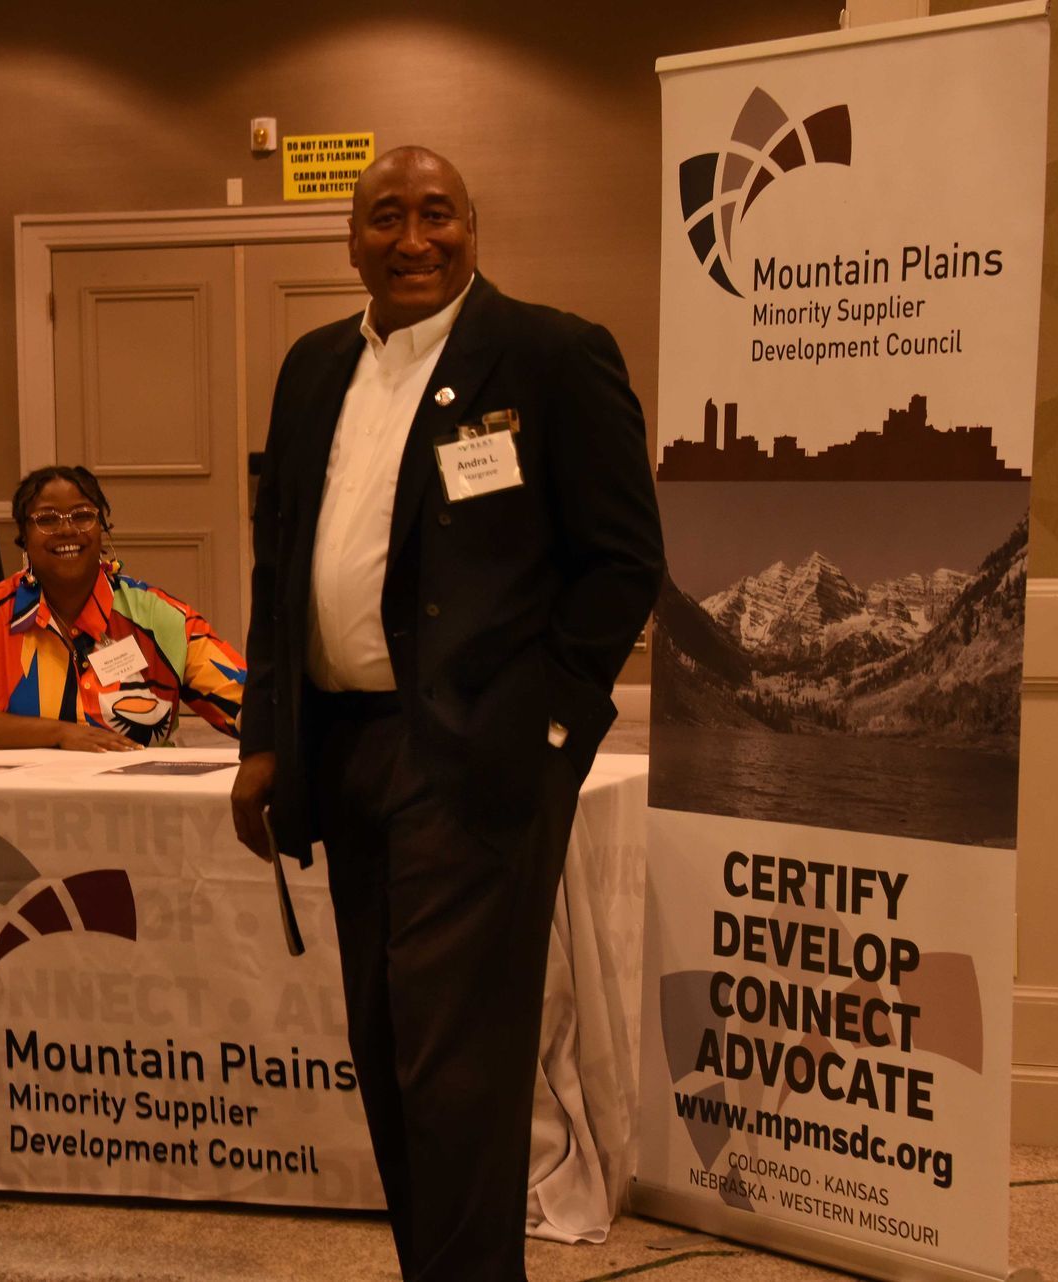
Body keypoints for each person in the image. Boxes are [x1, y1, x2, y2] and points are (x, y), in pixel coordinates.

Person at [230, 147, 663, 1279]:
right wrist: (266, 736)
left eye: (437, 215)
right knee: (385, 1044)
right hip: (342, 749)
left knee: (457, 1065)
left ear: (474, 226)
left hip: (471, 765)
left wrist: (546, 728)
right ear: (351, 242)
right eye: (386, 218)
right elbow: (280, 561)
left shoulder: (552, 355)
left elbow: (624, 566)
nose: (412, 239)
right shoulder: (313, 365)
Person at [0, 465, 245, 751]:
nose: (67, 530)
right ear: (24, 536)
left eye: (82, 515)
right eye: (46, 519)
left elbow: (250, 707)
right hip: (25, 805)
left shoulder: (162, 618)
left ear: (102, 528)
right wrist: (59, 734)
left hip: (144, 803)